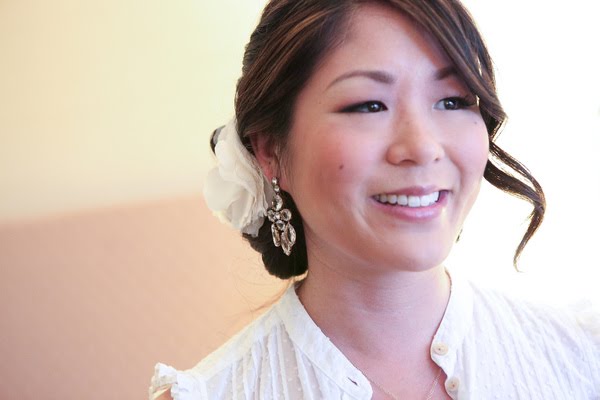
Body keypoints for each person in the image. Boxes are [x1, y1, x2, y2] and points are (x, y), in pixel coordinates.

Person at [149, 0, 599, 398]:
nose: (422, 147)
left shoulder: (582, 359)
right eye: (369, 105)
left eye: (452, 101)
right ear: (269, 151)